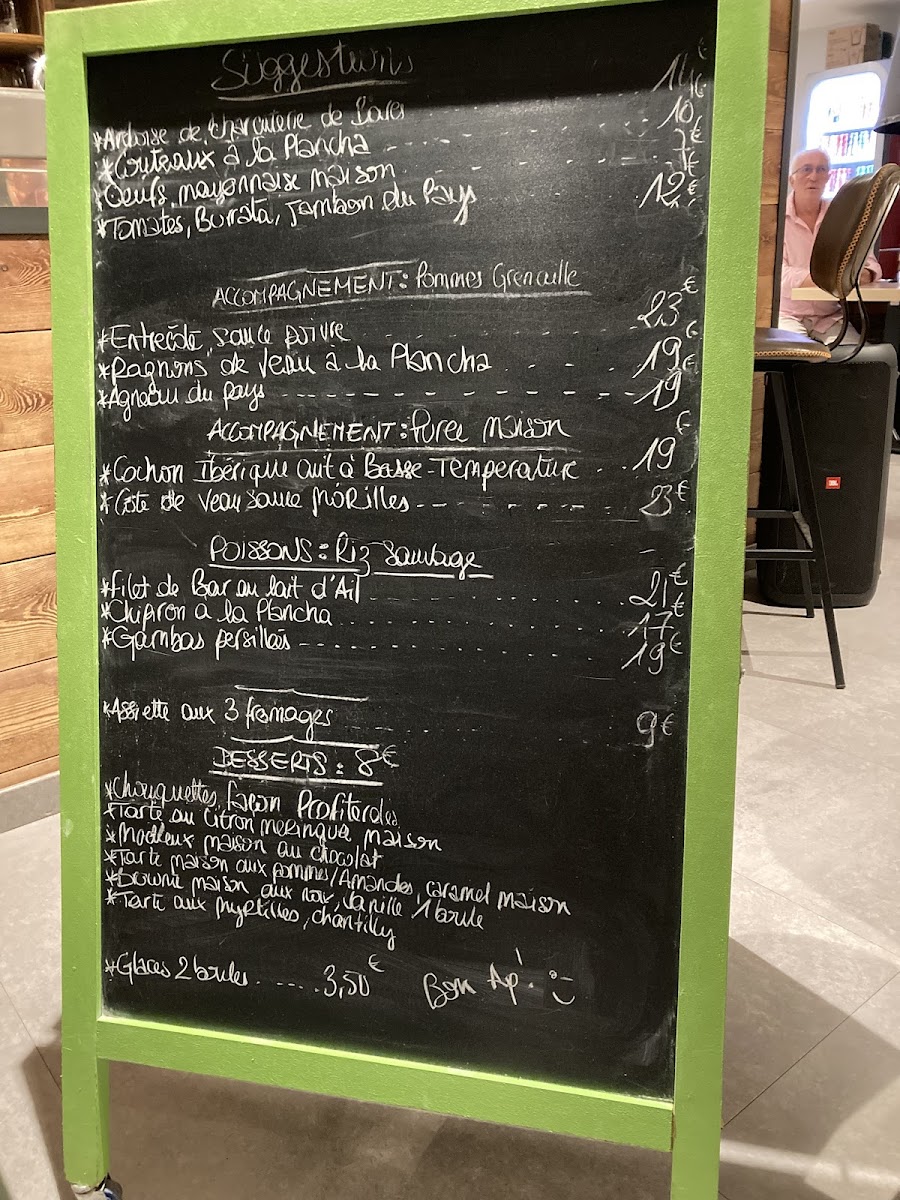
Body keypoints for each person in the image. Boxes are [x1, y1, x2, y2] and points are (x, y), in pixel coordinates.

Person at [779, 148, 881, 344]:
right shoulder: (775, 219)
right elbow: (779, 276)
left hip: (829, 317)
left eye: (821, 169)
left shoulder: (842, 217)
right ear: (792, 180)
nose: (813, 177)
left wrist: (861, 274)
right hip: (786, 315)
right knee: (794, 356)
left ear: (828, 177)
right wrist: (838, 278)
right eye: (806, 169)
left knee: (859, 356)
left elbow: (870, 265)